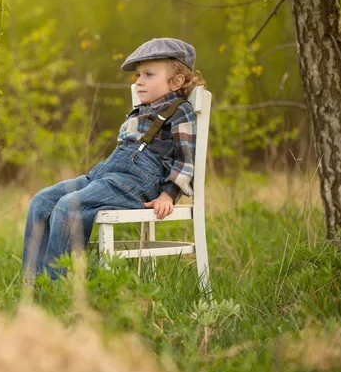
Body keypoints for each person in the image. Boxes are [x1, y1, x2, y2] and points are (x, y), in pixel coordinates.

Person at [22, 38, 206, 282]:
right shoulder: (141, 110)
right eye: (138, 75)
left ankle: (59, 292)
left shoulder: (179, 111)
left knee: (69, 206)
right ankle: (32, 287)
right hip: (106, 176)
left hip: (137, 183)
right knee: (42, 201)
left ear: (176, 81)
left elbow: (185, 160)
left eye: (148, 75)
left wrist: (168, 194)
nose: (139, 81)